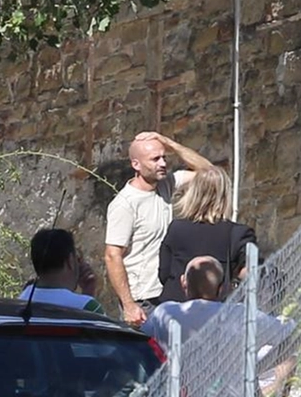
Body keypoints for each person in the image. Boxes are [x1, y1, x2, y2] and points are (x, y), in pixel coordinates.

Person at [104, 131, 213, 326]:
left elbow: (209, 172)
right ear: (136, 164)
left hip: (166, 294)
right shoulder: (124, 204)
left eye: (164, 157)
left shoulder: (166, 184)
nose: (162, 163)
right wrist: (129, 305)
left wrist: (170, 143)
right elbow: (113, 255)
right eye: (155, 159)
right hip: (142, 301)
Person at [156, 166, 255, 303]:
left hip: (176, 308)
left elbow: (163, 274)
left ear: (193, 193)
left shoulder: (176, 228)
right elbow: (251, 275)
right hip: (216, 312)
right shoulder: (239, 234)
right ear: (226, 195)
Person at [141, 255, 225, 353]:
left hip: (174, 367)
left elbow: (142, 340)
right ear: (221, 288)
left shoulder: (164, 312)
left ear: (183, 282)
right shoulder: (238, 313)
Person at [19, 228, 103, 313]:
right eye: (77, 258)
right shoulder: (87, 306)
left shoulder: (23, 299)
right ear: (70, 260)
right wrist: (88, 294)